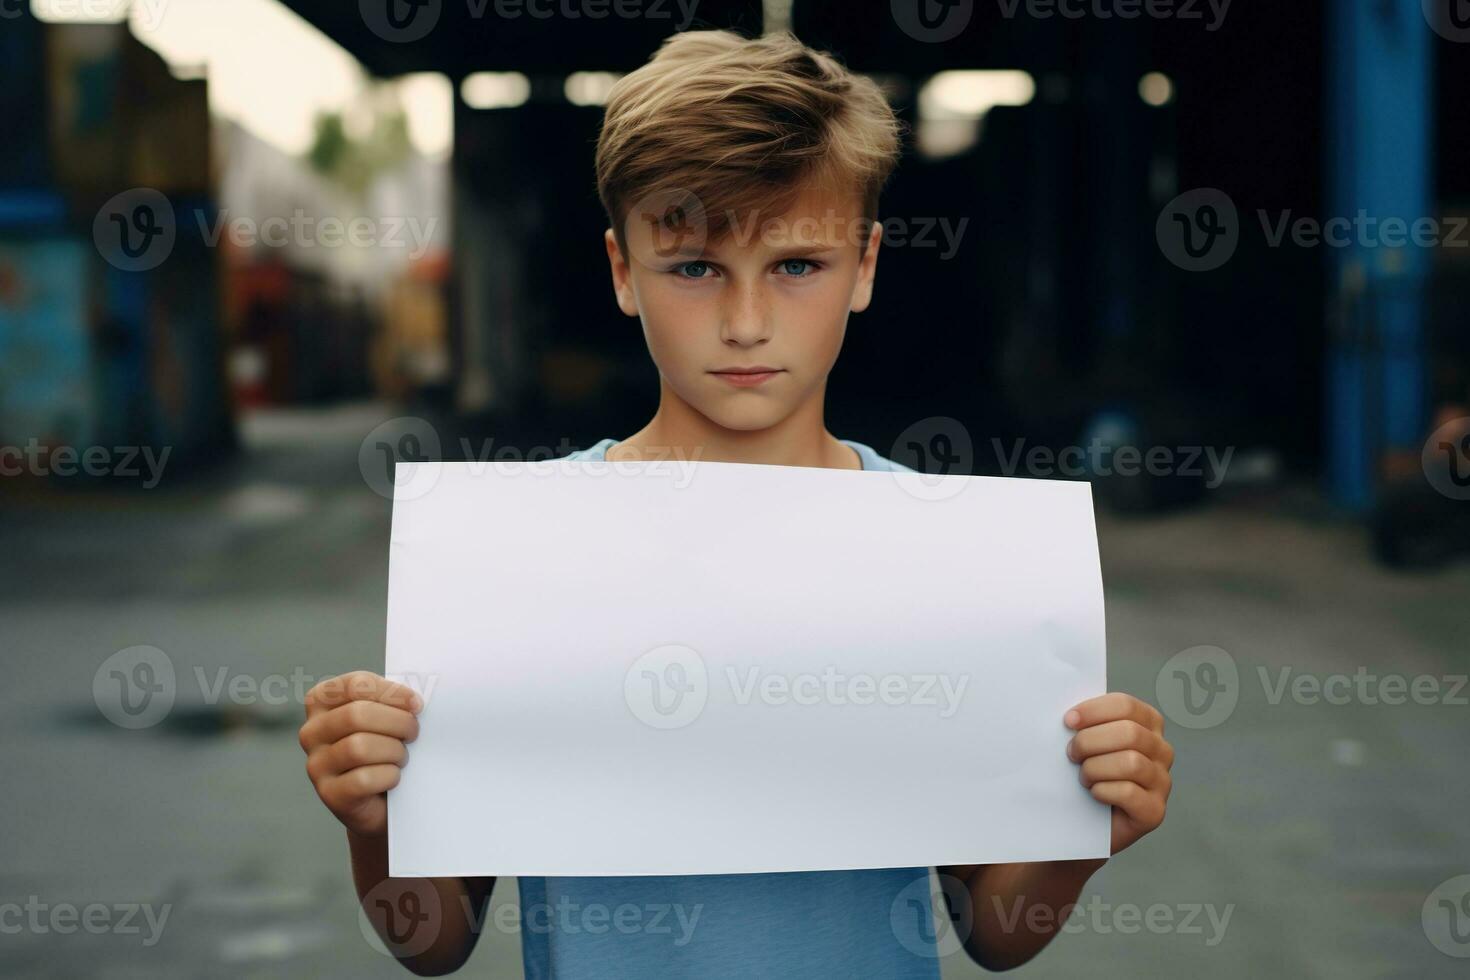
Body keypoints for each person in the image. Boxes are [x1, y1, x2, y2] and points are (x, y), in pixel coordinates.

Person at [298, 28, 1174, 977]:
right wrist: (375, 823)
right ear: (624, 270)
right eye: (695, 267)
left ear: (868, 265)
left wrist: (1079, 837)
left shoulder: (936, 561)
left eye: (798, 265)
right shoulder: (522, 558)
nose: (748, 322)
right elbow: (432, 942)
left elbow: (998, 934)